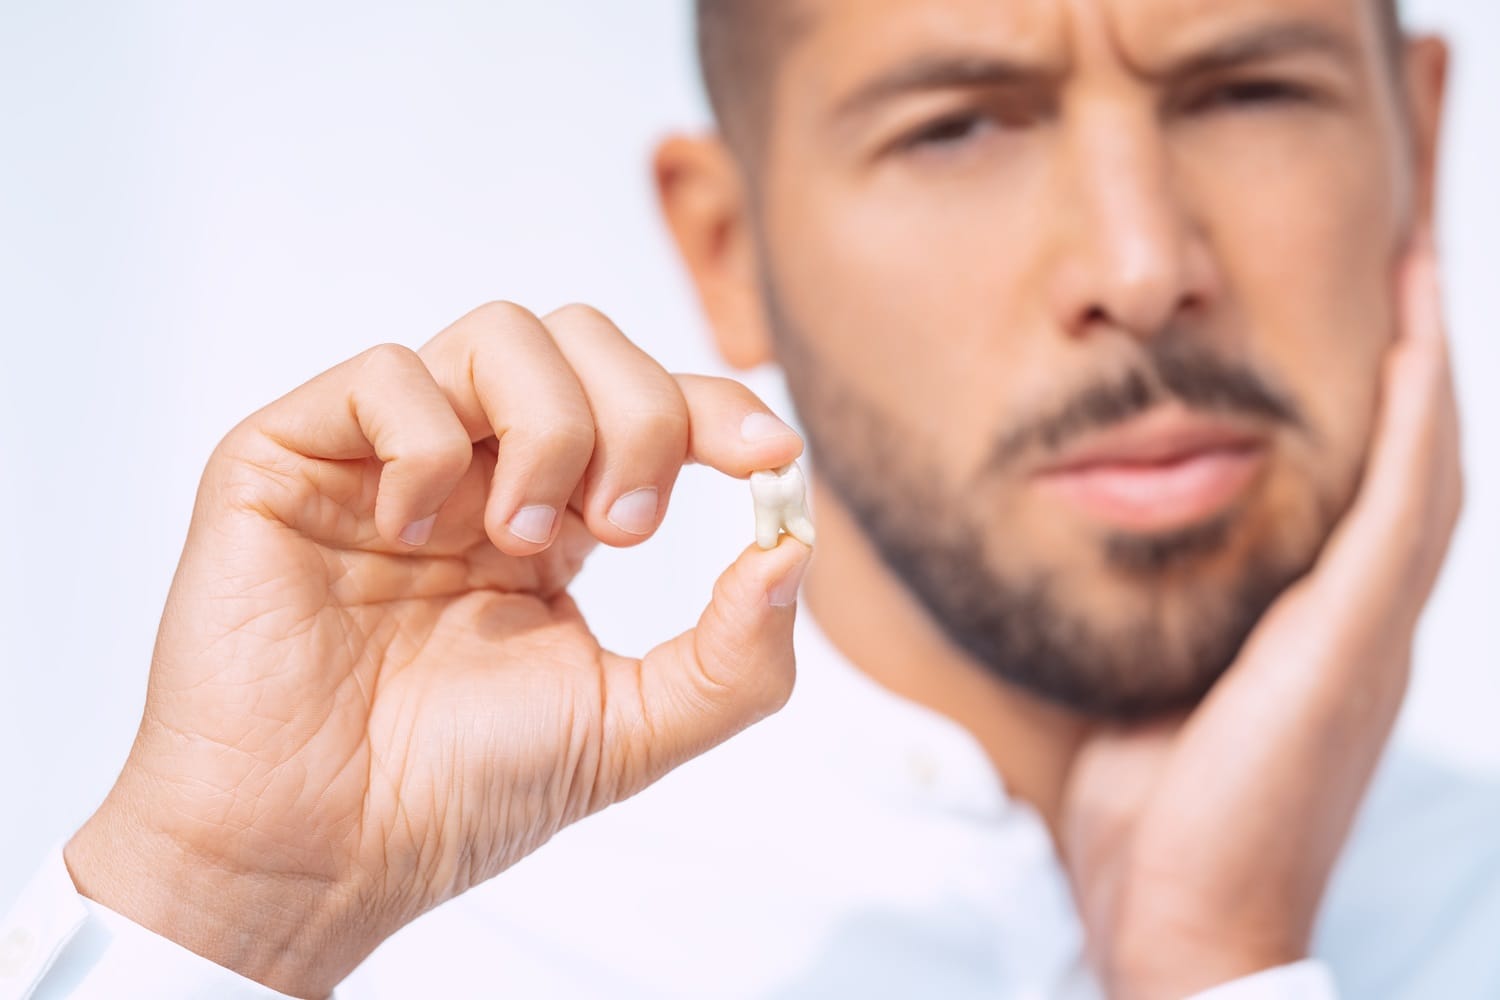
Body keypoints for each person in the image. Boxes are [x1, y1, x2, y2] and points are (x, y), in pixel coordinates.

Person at [2, 0, 1494, 997]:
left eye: (1246, 91)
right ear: (724, 248)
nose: (1139, 263)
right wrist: (225, 914)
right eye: (958, 124)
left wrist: (1215, 962)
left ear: (1417, 145)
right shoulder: (425, 949)